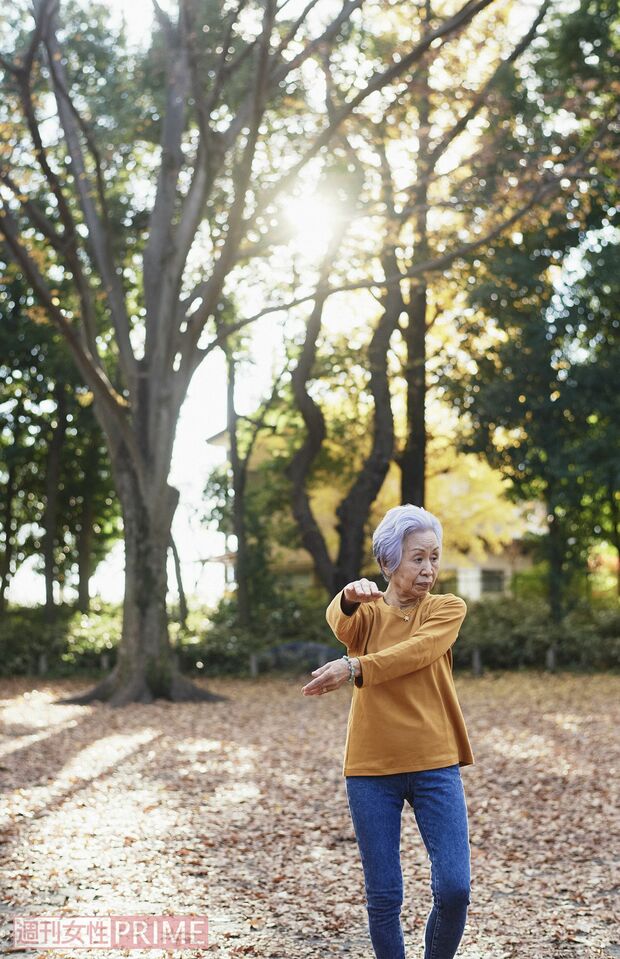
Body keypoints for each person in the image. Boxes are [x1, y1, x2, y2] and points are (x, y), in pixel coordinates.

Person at [301, 504, 475, 959]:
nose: (428, 568)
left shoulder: (446, 609)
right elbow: (341, 625)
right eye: (417, 558)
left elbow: (416, 653)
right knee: (384, 897)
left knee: (455, 889)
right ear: (388, 563)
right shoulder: (370, 616)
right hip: (371, 768)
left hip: (435, 763)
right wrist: (348, 597)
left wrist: (354, 667)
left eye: (434, 557)